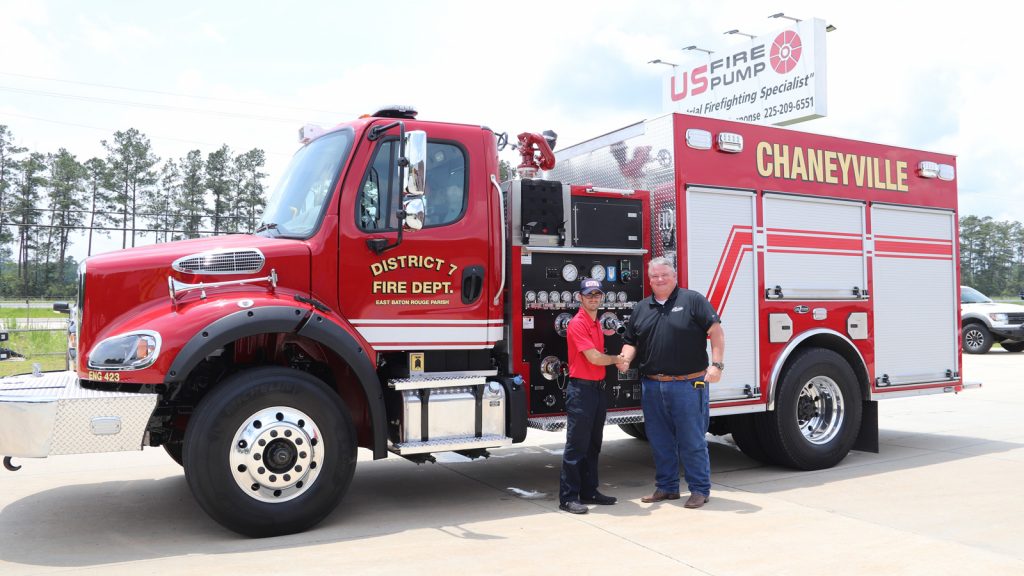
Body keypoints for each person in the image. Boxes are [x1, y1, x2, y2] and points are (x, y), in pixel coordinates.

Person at [616, 257, 725, 509]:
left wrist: (717, 365)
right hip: (653, 385)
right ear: (649, 279)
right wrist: (624, 359)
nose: (660, 279)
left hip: (689, 385)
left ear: (674, 276)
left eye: (664, 274)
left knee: (692, 439)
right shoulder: (642, 307)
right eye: (654, 276)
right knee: (659, 440)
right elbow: (631, 341)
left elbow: (716, 331)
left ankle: (699, 489)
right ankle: (667, 487)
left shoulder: (692, 300)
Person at [559, 278, 624, 514]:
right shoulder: (577, 323)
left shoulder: (596, 323)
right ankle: (568, 497)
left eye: (597, 295)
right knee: (576, 446)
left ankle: (589, 491)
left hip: (597, 389)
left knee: (593, 444)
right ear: (580, 297)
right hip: (581, 391)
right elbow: (594, 358)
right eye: (589, 295)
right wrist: (618, 359)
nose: (593, 298)